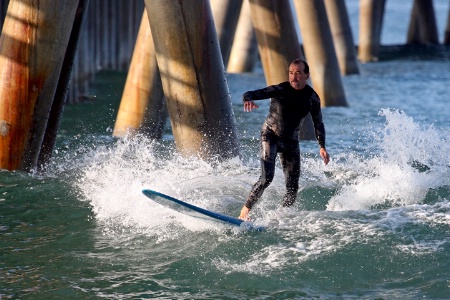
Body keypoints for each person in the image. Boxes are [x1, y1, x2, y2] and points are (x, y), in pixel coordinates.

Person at [238, 58, 330, 220]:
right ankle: (245, 212)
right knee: (267, 178)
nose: (294, 77)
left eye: (298, 73)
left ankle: (280, 216)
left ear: (307, 75)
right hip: (270, 135)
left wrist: (322, 146)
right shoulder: (280, 89)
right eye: (291, 73)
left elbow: (318, 122)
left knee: (293, 187)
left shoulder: (312, 97)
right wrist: (248, 99)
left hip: (290, 142)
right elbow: (251, 93)